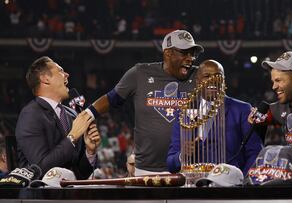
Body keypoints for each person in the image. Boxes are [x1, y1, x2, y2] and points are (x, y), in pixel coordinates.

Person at [84, 30, 204, 176]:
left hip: (187, 169)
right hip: (146, 171)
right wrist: (86, 115)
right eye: (185, 53)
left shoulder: (199, 76)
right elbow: (112, 99)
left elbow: (219, 103)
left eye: (193, 54)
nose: (190, 58)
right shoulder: (140, 73)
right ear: (168, 53)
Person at [167, 59, 263, 175]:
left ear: (223, 81)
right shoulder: (183, 113)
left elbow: (255, 153)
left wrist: (242, 181)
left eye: (218, 76)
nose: (213, 80)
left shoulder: (242, 110)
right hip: (194, 185)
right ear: (197, 82)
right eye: (207, 76)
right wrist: (183, 155)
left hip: (231, 186)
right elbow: (171, 163)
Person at [15, 56, 101, 179]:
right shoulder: (31, 114)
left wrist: (90, 152)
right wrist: (72, 137)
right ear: (45, 79)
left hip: (70, 194)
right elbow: (40, 169)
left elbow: (79, 174)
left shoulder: (71, 114)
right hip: (42, 196)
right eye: (60, 71)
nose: (67, 74)